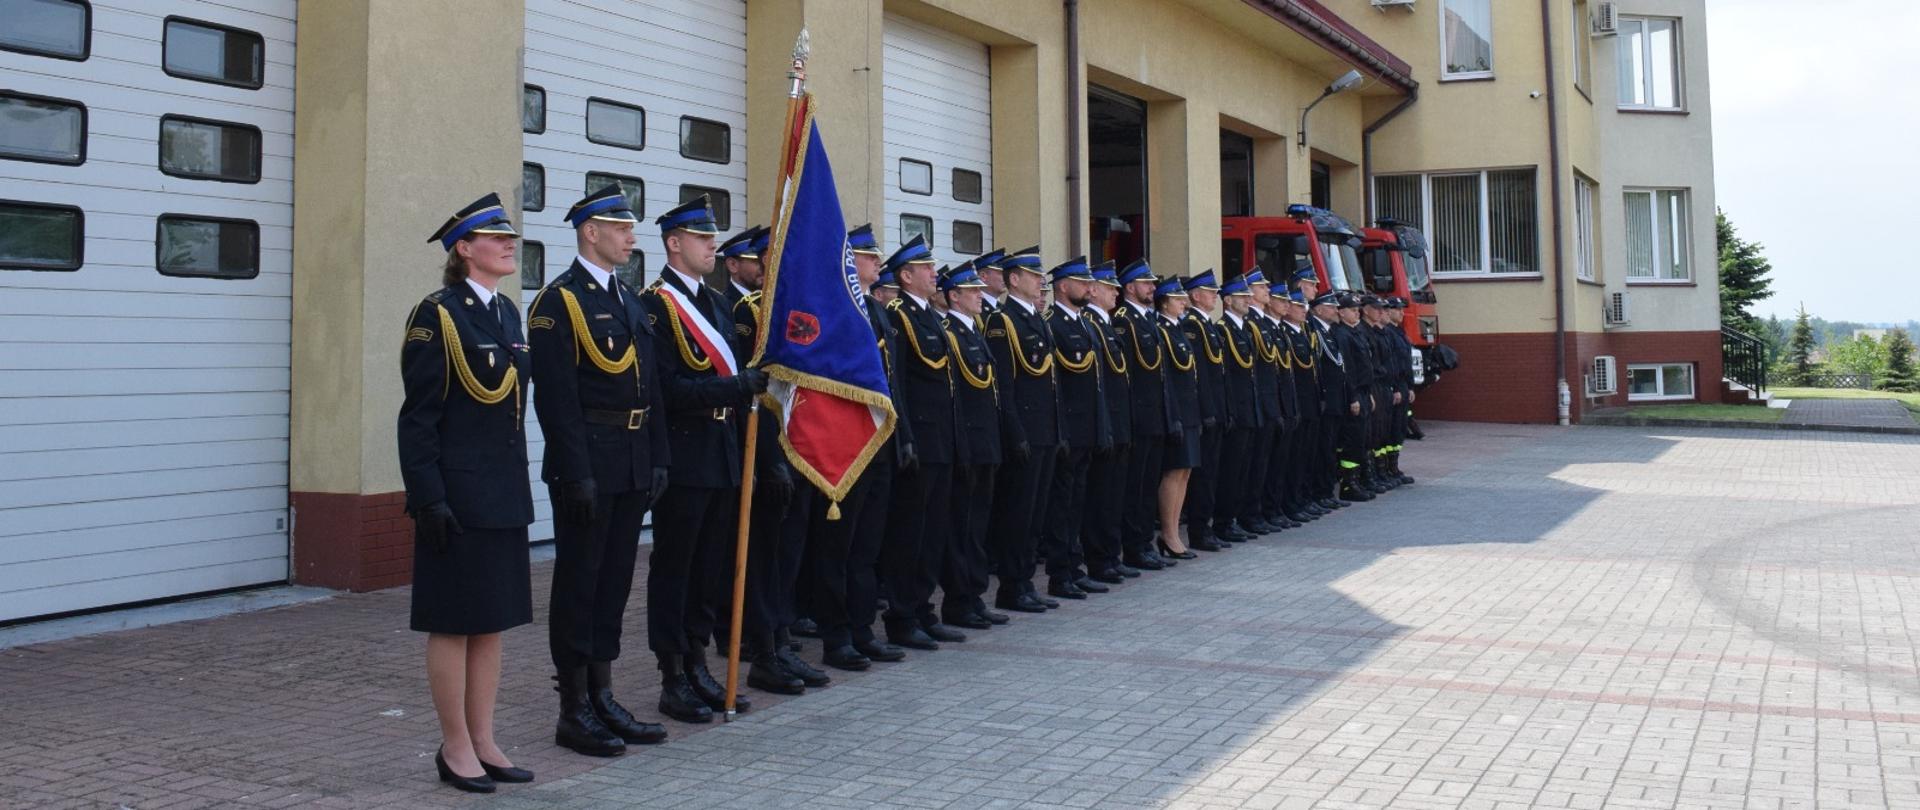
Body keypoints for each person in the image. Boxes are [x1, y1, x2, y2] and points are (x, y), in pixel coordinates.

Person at [528, 185, 672, 758]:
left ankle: (604, 693)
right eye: (620, 227)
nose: (631, 237)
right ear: (591, 231)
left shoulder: (629, 299)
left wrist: (659, 454)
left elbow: (651, 385)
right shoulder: (558, 303)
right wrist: (574, 470)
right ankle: (573, 708)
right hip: (588, 460)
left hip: (633, 459)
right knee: (579, 583)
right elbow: (556, 401)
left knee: (614, 583)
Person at [399, 192, 536, 793]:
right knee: (453, 622)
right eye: (496, 237)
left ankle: (484, 738)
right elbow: (418, 418)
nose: (510, 244)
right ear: (464, 248)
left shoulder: (507, 313)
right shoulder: (437, 315)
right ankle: (454, 745)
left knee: (492, 622)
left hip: (501, 491)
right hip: (455, 495)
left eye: (511, 237)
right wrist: (427, 498)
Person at [639, 196, 770, 723]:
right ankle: (673, 675)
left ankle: (698, 666)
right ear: (674, 243)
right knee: (676, 569)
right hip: (684, 454)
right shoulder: (655, 304)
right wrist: (735, 388)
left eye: (713, 237)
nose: (712, 244)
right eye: (701, 237)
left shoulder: (716, 305)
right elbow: (666, 388)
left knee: (711, 570)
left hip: (721, 455)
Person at [809, 224, 910, 671]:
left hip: (881, 443)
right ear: (849, 261)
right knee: (838, 548)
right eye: (869, 257)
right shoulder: (834, 309)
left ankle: (862, 628)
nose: (878, 264)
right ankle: (837, 636)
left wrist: (903, 435)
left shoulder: (877, 310)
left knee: (868, 547)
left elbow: (893, 382)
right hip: (845, 447)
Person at [726, 228, 819, 697]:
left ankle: (781, 639)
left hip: (802, 445)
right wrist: (767, 459)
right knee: (765, 552)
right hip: (768, 449)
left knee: (790, 550)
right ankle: (763, 648)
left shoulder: (799, 312)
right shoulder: (749, 312)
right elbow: (754, 394)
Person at [879, 236, 963, 650]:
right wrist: (905, 436)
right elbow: (900, 384)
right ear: (906, 275)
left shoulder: (931, 316)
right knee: (909, 534)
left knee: (933, 532)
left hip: (942, 439)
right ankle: (902, 615)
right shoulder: (899, 315)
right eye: (926, 268)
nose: (935, 273)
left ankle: (924, 609)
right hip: (919, 441)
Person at [985, 246, 1062, 612]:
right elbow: (1004, 384)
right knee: (1018, 512)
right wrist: (1014, 433)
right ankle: (1012, 586)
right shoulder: (1003, 321)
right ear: (1014, 280)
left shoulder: (1036, 318)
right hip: (1025, 432)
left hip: (1045, 430)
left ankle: (1027, 581)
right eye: (1033, 276)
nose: (1040, 281)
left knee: (1036, 512)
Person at [938, 263, 1009, 630]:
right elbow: (955, 397)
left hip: (986, 442)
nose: (981, 296)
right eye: (973, 291)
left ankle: (974, 595)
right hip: (966, 443)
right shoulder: (948, 332)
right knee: (961, 525)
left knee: (978, 523)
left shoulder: (975, 330)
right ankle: (958, 600)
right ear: (954, 296)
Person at [1040, 256, 1113, 601]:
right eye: (1082, 283)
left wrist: (1101, 426)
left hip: (1087, 428)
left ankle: (1074, 566)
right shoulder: (1052, 323)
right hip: (1067, 430)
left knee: (1077, 502)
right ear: (1063, 286)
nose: (1089, 287)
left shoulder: (1084, 324)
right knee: (1061, 503)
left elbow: (1095, 383)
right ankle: (1060, 573)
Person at [1111, 260, 1174, 572]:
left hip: (1155, 417)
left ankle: (1145, 542)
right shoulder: (1124, 321)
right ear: (1129, 288)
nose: (1152, 288)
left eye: (1153, 283)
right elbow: (1129, 376)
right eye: (1146, 283)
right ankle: (1134, 546)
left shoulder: (1149, 321)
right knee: (1134, 487)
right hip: (1138, 417)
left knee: (1148, 485)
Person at [1082, 261, 1136, 584]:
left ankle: (1110, 556)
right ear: (1095, 290)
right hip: (1103, 424)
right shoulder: (1091, 323)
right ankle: (1099, 559)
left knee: (1115, 494)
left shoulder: (1106, 324)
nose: (1115, 291)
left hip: (1118, 422)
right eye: (1110, 286)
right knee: (1100, 497)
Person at [1178, 271, 1230, 552]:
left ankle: (1206, 527)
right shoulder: (1192, 325)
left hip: (1217, 409)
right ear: (1195, 295)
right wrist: (1207, 411)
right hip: (1205, 412)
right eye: (1210, 292)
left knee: (1212, 474)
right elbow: (1199, 375)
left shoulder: (1206, 325)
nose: (1215, 296)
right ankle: (1199, 530)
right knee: (1204, 475)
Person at [1213, 274, 1265, 541]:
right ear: (1228, 300)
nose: (1247, 301)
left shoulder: (1244, 329)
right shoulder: (1223, 329)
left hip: (1249, 409)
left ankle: (1238, 518)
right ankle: (1224, 522)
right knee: (1230, 471)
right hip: (1236, 410)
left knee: (1244, 468)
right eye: (1242, 297)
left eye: (1248, 296)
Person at [1154, 277, 1200, 560]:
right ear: (1165, 302)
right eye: (1178, 298)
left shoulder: (1178, 329)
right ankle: (1168, 533)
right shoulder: (1161, 330)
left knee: (1186, 471)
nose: (1184, 302)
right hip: (1175, 411)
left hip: (1188, 408)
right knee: (1174, 471)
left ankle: (1173, 534)